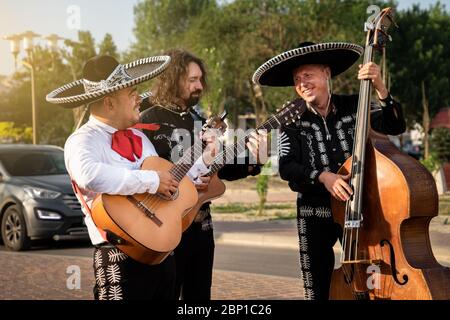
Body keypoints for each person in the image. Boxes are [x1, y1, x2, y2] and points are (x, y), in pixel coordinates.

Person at [46, 55, 218, 300]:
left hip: (162, 257)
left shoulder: (140, 138)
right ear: (110, 103)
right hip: (119, 256)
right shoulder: (82, 140)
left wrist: (204, 160)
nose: (140, 98)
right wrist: (151, 181)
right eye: (132, 93)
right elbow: (90, 175)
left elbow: (168, 177)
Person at [252, 42, 406, 300]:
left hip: (357, 210)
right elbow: (287, 167)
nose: (302, 83)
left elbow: (395, 124)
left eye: (308, 75)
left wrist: (379, 86)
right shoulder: (290, 120)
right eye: (297, 79)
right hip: (315, 213)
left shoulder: (355, 106)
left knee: (367, 285)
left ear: (326, 73)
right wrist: (324, 176)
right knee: (317, 287)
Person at [140, 49, 267, 300]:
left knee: (199, 297)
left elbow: (222, 167)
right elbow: (141, 171)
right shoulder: (148, 120)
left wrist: (255, 159)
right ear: (171, 79)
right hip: (164, 224)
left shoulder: (200, 121)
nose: (199, 86)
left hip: (201, 226)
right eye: (192, 80)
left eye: (200, 80)